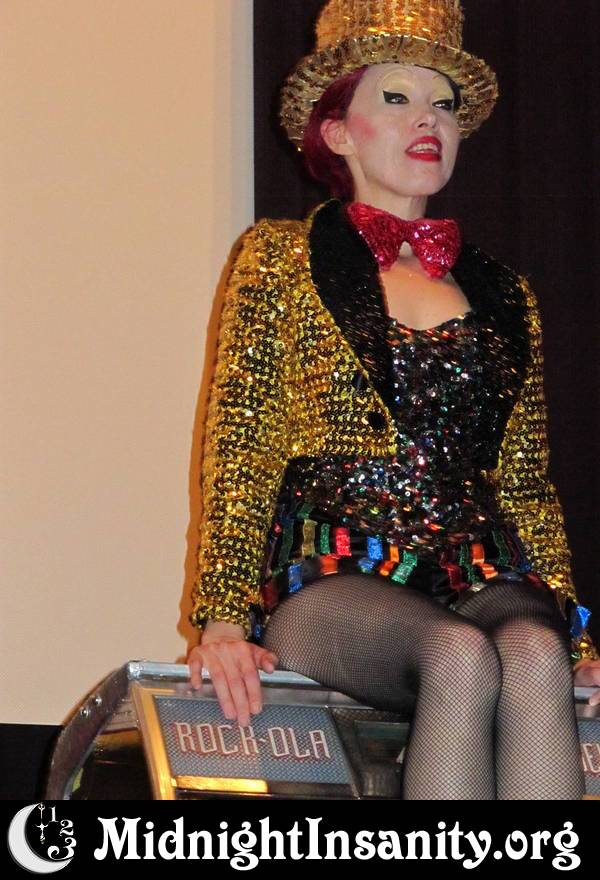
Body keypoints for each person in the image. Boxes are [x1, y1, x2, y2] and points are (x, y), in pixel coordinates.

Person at [188, 0, 600, 799]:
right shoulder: (280, 259)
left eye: (443, 104)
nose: (429, 120)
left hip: (478, 564)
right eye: (398, 97)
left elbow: (524, 486)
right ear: (337, 131)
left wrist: (579, 639)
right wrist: (224, 619)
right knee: (458, 655)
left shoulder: (505, 293)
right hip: (334, 568)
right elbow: (243, 443)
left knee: (535, 655)